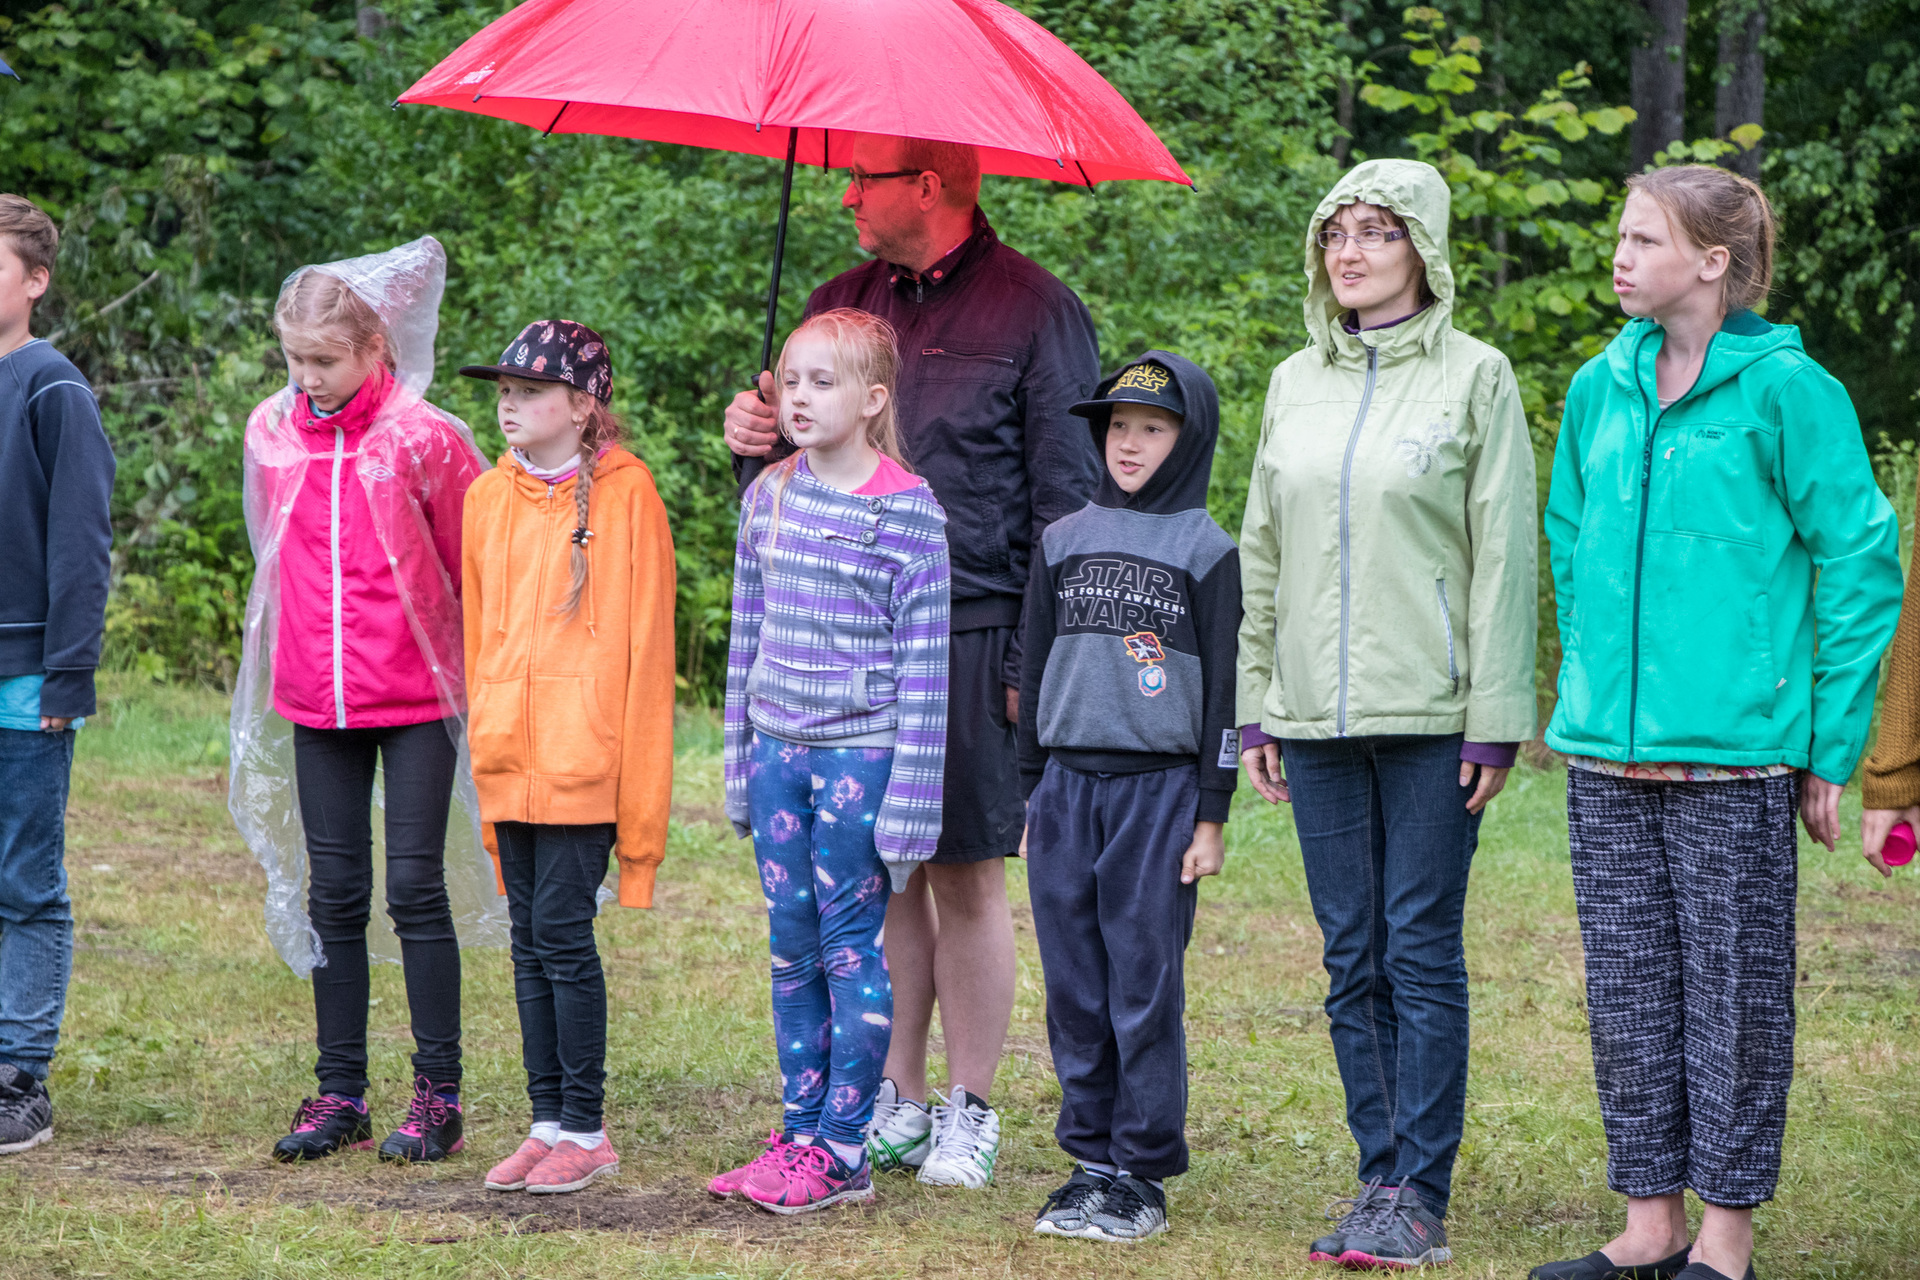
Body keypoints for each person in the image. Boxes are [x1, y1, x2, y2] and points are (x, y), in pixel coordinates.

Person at [1533, 166, 1903, 1280]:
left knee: (1733, 1000)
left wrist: (1828, 744)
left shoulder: (1790, 391)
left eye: (1645, 239)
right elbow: (1570, 535)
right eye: (1621, 235)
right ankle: (1649, 1224)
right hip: (1607, 756)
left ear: (1713, 262)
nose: (1621, 255)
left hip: (1737, 758)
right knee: (1629, 988)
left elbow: (1861, 564)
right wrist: (1589, 672)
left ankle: (1726, 1241)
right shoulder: (1600, 385)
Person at [724, 133, 1101, 1187]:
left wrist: (1032, 660)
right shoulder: (841, 304)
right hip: (845, 647)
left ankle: (969, 1106)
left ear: (927, 186)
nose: (846, 195)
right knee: (876, 876)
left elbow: (1067, 496)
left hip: (974, 633)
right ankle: (892, 1094)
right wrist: (754, 436)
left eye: (866, 179)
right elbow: (793, 486)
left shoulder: (1035, 309)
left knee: (965, 869)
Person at [1236, 159, 1538, 1270]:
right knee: (1350, 954)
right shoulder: (1292, 382)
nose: (1351, 252)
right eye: (1337, 233)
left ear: (1425, 247)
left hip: (1433, 716)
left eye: (1378, 231)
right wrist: (1256, 708)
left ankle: (1420, 1190)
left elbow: (1504, 557)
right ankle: (1379, 1177)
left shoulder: (1477, 376)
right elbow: (1262, 550)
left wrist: (1495, 715)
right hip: (1313, 717)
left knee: (1418, 948)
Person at [229, 237, 500, 1166]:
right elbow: (272, 556)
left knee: (415, 888)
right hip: (316, 697)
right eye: (294, 358)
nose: (307, 378)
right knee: (333, 893)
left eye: (324, 360)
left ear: (376, 347)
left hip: (414, 694)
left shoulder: (425, 438)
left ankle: (439, 1095)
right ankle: (339, 1088)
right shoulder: (273, 431)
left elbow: (472, 567)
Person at [708, 308, 950, 1215]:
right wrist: (740, 765)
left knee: (849, 951)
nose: (799, 398)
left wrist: (911, 807)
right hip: (777, 754)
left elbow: (927, 672)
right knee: (791, 949)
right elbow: (745, 638)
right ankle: (798, 1132)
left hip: (861, 761)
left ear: (873, 398)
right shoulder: (768, 495)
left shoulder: (910, 514)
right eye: (792, 380)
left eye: (823, 382)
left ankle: (845, 1149)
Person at [1016, 352, 1240, 1243]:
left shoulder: (1207, 549)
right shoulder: (1063, 539)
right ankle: (1090, 1163)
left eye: (1153, 428)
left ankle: (1141, 1171)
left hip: (1159, 794)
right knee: (1074, 988)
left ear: (1192, 438)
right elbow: (1035, 667)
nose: (1131, 444)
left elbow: (1224, 694)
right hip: (1066, 790)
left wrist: (1211, 812)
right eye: (1118, 427)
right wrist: (1032, 792)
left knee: (1142, 986)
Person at [458, 320, 676, 1197]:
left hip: (588, 763)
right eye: (504, 392)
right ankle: (546, 1124)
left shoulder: (629, 496)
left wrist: (641, 812)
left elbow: (648, 655)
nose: (510, 406)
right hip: (508, 759)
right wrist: (486, 741)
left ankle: (587, 1129)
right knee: (526, 941)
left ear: (583, 406)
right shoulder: (485, 498)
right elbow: (479, 637)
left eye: (531, 392)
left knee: (561, 933)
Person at [0, 194, 115, 1156]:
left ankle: (18, 1076)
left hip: (24, 679)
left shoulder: (52, 387)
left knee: (25, 879)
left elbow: (81, 543)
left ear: (35, 280)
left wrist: (68, 675)